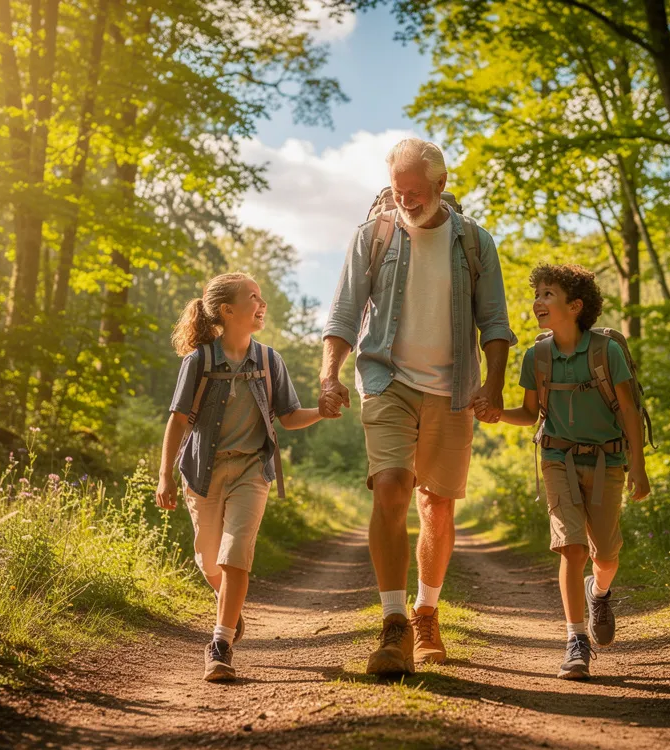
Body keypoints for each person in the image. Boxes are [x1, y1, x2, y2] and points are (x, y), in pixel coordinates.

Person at [320, 137, 516, 676]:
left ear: (440, 186)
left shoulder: (475, 243)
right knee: (390, 486)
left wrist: (494, 385)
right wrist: (329, 374)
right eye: (397, 190)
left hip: (453, 388)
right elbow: (343, 312)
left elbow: (496, 325)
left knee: (437, 504)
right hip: (387, 379)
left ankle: (426, 611)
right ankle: (393, 624)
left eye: (414, 191)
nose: (403, 200)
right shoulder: (374, 236)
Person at [155, 272, 325, 682]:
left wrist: (323, 410)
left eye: (261, 296)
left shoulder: (269, 361)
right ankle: (228, 604)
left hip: (252, 469)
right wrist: (165, 476)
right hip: (203, 471)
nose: (261, 303)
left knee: (235, 556)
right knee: (209, 557)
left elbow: (288, 417)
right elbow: (178, 421)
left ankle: (221, 643)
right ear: (228, 310)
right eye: (253, 297)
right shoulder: (199, 361)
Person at [494, 264, 651, 680]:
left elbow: (630, 413)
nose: (538, 302)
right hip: (557, 458)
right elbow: (530, 415)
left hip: (607, 461)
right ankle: (575, 640)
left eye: (548, 294)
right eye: (538, 294)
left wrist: (639, 467)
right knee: (572, 547)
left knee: (607, 555)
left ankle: (598, 593)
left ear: (575, 306)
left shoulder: (606, 352)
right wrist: (496, 413)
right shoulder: (537, 356)